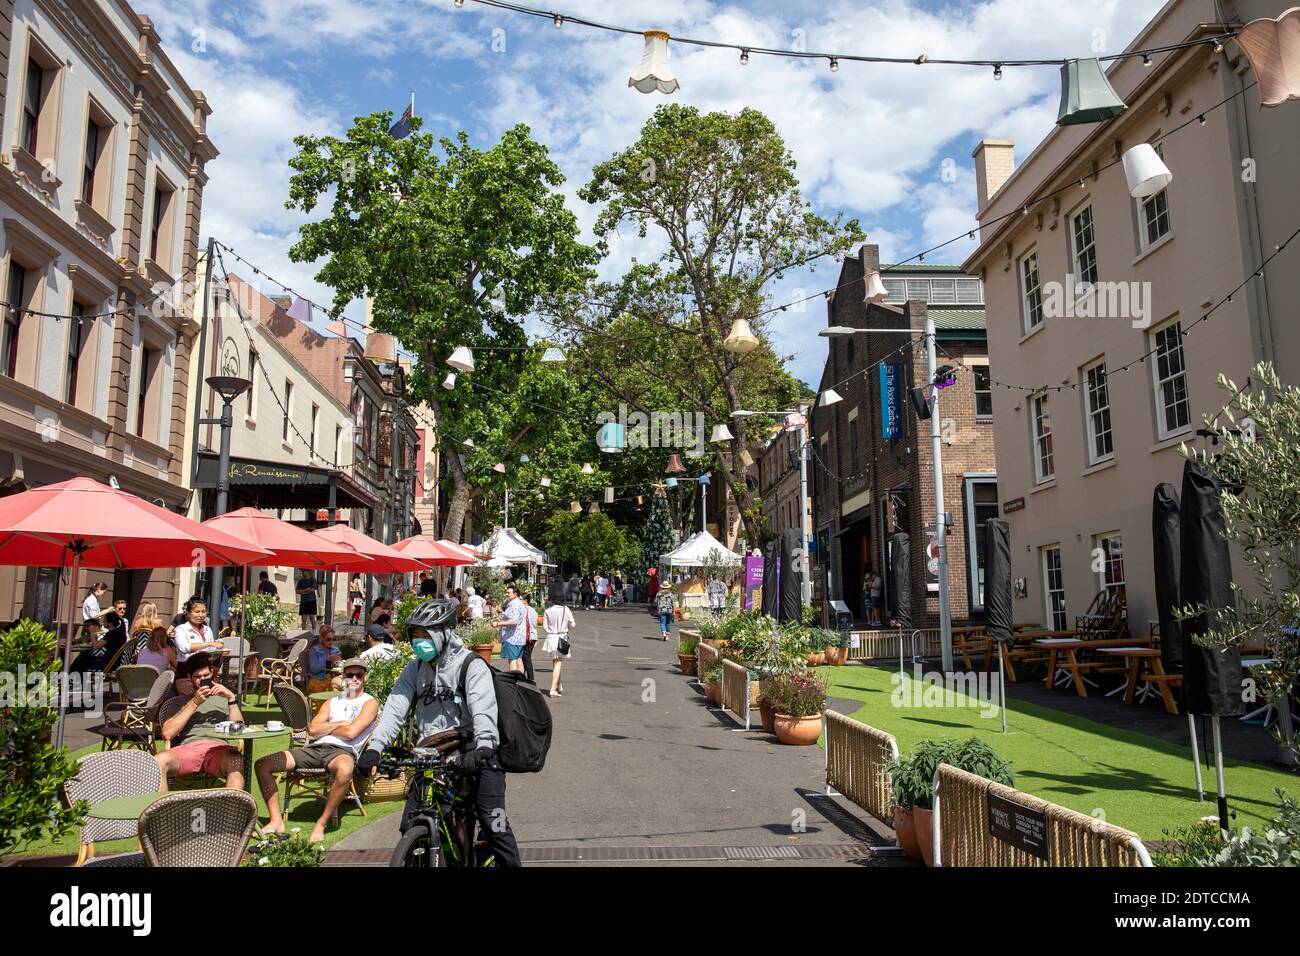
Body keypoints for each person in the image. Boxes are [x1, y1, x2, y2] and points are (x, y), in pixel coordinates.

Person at [356, 599, 521, 867]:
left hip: (477, 754)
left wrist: (483, 747)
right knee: (411, 821)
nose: (420, 641)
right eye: (416, 635)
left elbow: (483, 710)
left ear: (444, 634)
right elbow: (395, 708)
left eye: (426, 635)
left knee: (495, 823)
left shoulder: (471, 665)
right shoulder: (415, 668)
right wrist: (375, 747)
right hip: (433, 755)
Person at [255, 657, 378, 842]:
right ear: (343, 676)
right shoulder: (332, 702)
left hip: (342, 752)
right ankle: (275, 820)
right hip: (315, 748)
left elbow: (352, 733)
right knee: (263, 764)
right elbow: (312, 729)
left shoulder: (370, 703)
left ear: (365, 677)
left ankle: (321, 823)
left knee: (345, 771)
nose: (354, 679)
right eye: (350, 674)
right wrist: (340, 724)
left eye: (358, 675)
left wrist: (328, 726)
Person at [154, 653, 244, 790]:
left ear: (212, 673)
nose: (202, 680)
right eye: (197, 677)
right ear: (190, 678)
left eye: (205, 676)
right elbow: (167, 733)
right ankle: (161, 810)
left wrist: (231, 698)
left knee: (236, 760)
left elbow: (239, 729)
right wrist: (195, 702)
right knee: (158, 761)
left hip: (217, 749)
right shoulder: (179, 702)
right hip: (189, 749)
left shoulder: (224, 699)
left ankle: (231, 810)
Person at [542, 589, 574, 699]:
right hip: (562, 637)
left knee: (555, 663)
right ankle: (552, 689)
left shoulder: (548, 610)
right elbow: (573, 624)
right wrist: (565, 628)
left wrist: (552, 629)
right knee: (558, 663)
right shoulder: (566, 609)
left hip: (551, 638)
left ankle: (558, 685)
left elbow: (545, 627)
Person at [172, 599, 222, 663]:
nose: (201, 615)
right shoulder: (181, 629)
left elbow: (211, 649)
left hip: (206, 665)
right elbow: (183, 648)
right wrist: (209, 644)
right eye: (197, 612)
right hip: (187, 666)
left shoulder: (208, 629)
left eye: (203, 611)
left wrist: (219, 648)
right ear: (188, 614)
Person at [493, 584, 528, 674]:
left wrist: (498, 623)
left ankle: (514, 683)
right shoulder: (519, 603)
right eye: (506, 592)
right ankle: (521, 683)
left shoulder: (514, 605)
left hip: (512, 637)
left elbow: (514, 621)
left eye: (508, 593)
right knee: (519, 660)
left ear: (515, 594)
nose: (506, 594)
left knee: (512, 661)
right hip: (519, 637)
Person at [305, 625, 343, 694]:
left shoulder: (335, 649)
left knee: (348, 687)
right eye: (328, 639)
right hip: (318, 681)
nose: (331, 641)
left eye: (333, 639)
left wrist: (339, 662)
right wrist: (327, 660)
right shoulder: (315, 650)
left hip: (333, 679)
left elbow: (338, 667)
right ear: (322, 638)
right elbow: (314, 669)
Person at [520, 593, 538, 683]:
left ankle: (530, 679)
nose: (519, 601)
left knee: (526, 658)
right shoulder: (533, 611)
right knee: (526, 657)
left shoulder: (523, 610)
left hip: (527, 636)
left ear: (525, 600)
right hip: (532, 636)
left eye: (521, 599)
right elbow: (535, 625)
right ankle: (526, 678)